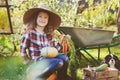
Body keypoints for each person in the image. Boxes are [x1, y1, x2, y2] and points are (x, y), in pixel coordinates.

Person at [20, 4, 71, 80]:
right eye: (40, 16)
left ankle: (62, 78)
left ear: (48, 20)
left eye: (45, 17)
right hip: (38, 60)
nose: (42, 19)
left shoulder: (49, 33)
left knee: (65, 59)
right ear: (36, 18)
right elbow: (22, 50)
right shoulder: (30, 33)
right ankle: (39, 77)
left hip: (49, 58)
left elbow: (53, 50)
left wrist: (61, 43)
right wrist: (28, 63)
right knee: (59, 62)